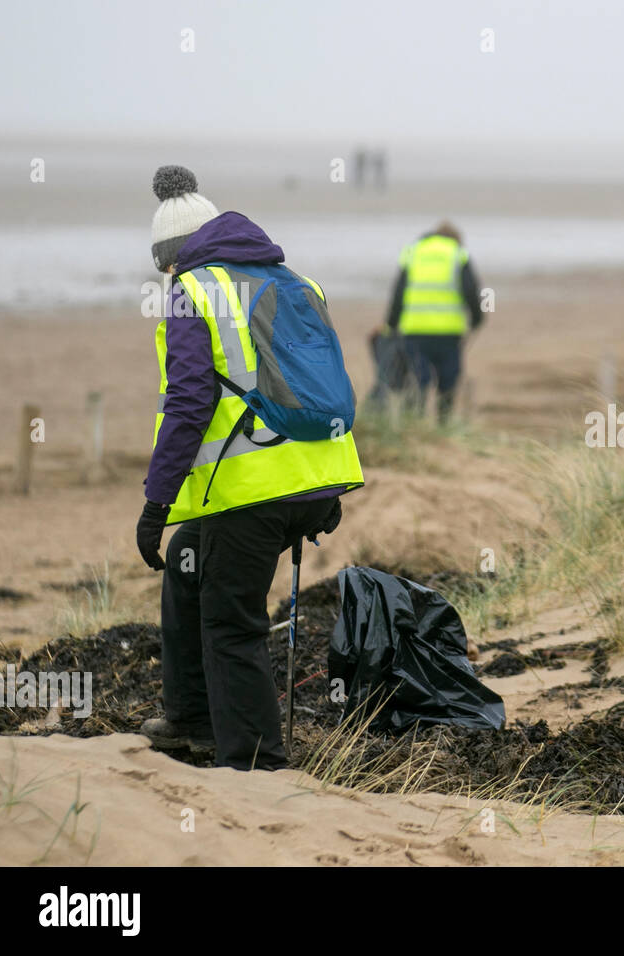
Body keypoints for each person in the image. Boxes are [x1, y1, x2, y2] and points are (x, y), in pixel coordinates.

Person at [135, 165, 364, 771]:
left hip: (256, 487)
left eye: (165, 265)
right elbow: (327, 384)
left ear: (173, 255)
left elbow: (188, 402)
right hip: (314, 479)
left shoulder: (193, 290)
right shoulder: (297, 283)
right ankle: (190, 719)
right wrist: (327, 486)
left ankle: (255, 763)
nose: (166, 277)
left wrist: (156, 502)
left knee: (232, 620)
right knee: (189, 565)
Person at [383, 221, 483, 423]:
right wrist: (477, 319)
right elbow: (470, 290)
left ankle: (413, 423)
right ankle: (443, 423)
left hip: (415, 330)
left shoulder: (413, 252)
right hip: (448, 332)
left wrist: (391, 324)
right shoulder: (457, 253)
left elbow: (398, 292)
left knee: (418, 379)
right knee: (448, 381)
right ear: (455, 238)